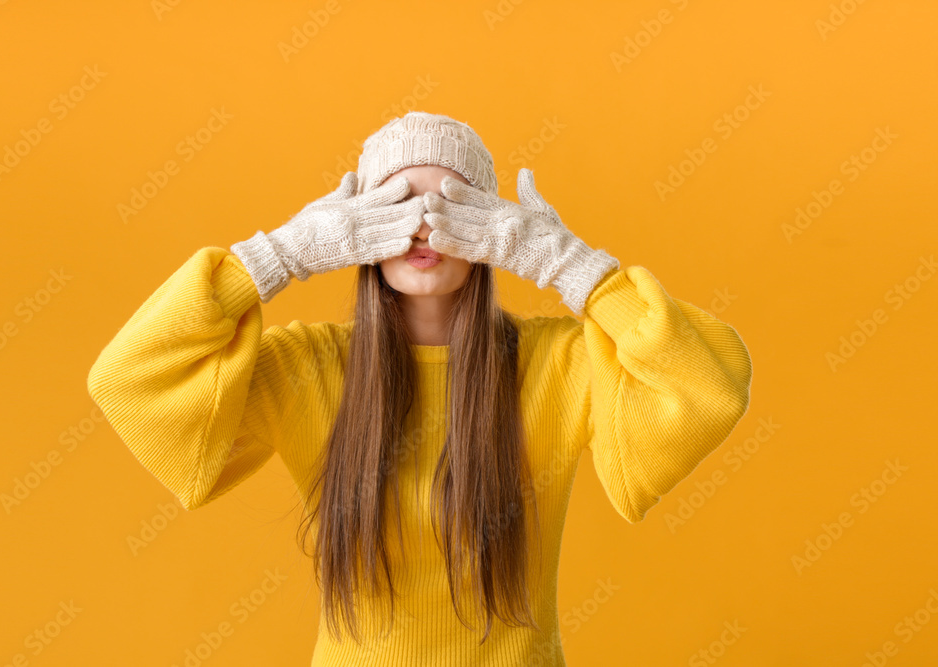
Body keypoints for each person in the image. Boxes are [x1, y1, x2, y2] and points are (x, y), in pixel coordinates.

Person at [86, 111, 753, 666]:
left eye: (452, 201)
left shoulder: (558, 362)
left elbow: (708, 379)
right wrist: (279, 254)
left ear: (494, 227)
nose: (425, 223)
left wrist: (574, 267)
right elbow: (129, 376)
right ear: (356, 228)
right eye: (398, 201)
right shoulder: (308, 366)